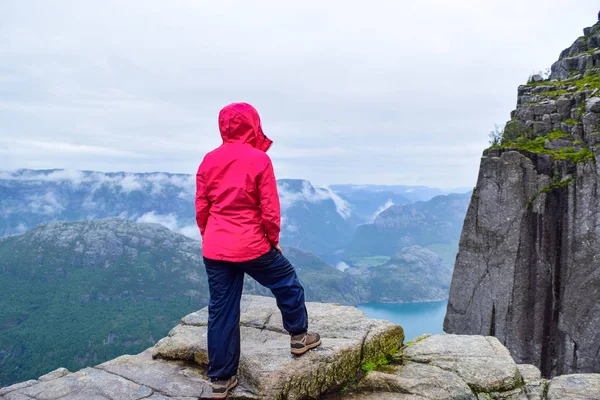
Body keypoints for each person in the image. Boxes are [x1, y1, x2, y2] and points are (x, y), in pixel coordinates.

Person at [195, 102, 321, 399]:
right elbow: (269, 208)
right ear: (253, 124)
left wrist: (209, 236)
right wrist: (273, 239)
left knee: (221, 310)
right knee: (287, 282)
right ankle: (299, 337)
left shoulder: (208, 160)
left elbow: (202, 207)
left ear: (223, 125)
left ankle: (222, 380)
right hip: (252, 243)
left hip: (216, 247)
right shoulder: (259, 159)